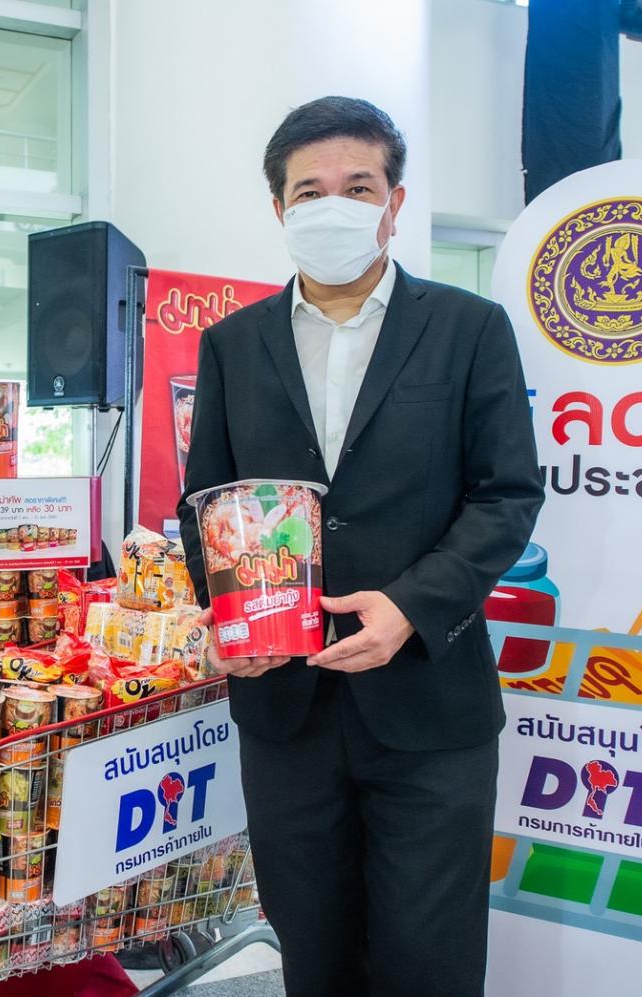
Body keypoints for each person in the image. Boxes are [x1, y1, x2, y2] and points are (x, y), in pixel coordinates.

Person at [177, 96, 544, 997]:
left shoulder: (468, 329)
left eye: (358, 185)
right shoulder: (233, 344)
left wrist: (411, 605)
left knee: (429, 958)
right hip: (285, 712)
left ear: (394, 202)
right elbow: (205, 505)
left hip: (429, 708)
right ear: (279, 210)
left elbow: (506, 495)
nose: (331, 204)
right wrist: (234, 620)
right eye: (310, 190)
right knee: (314, 951)